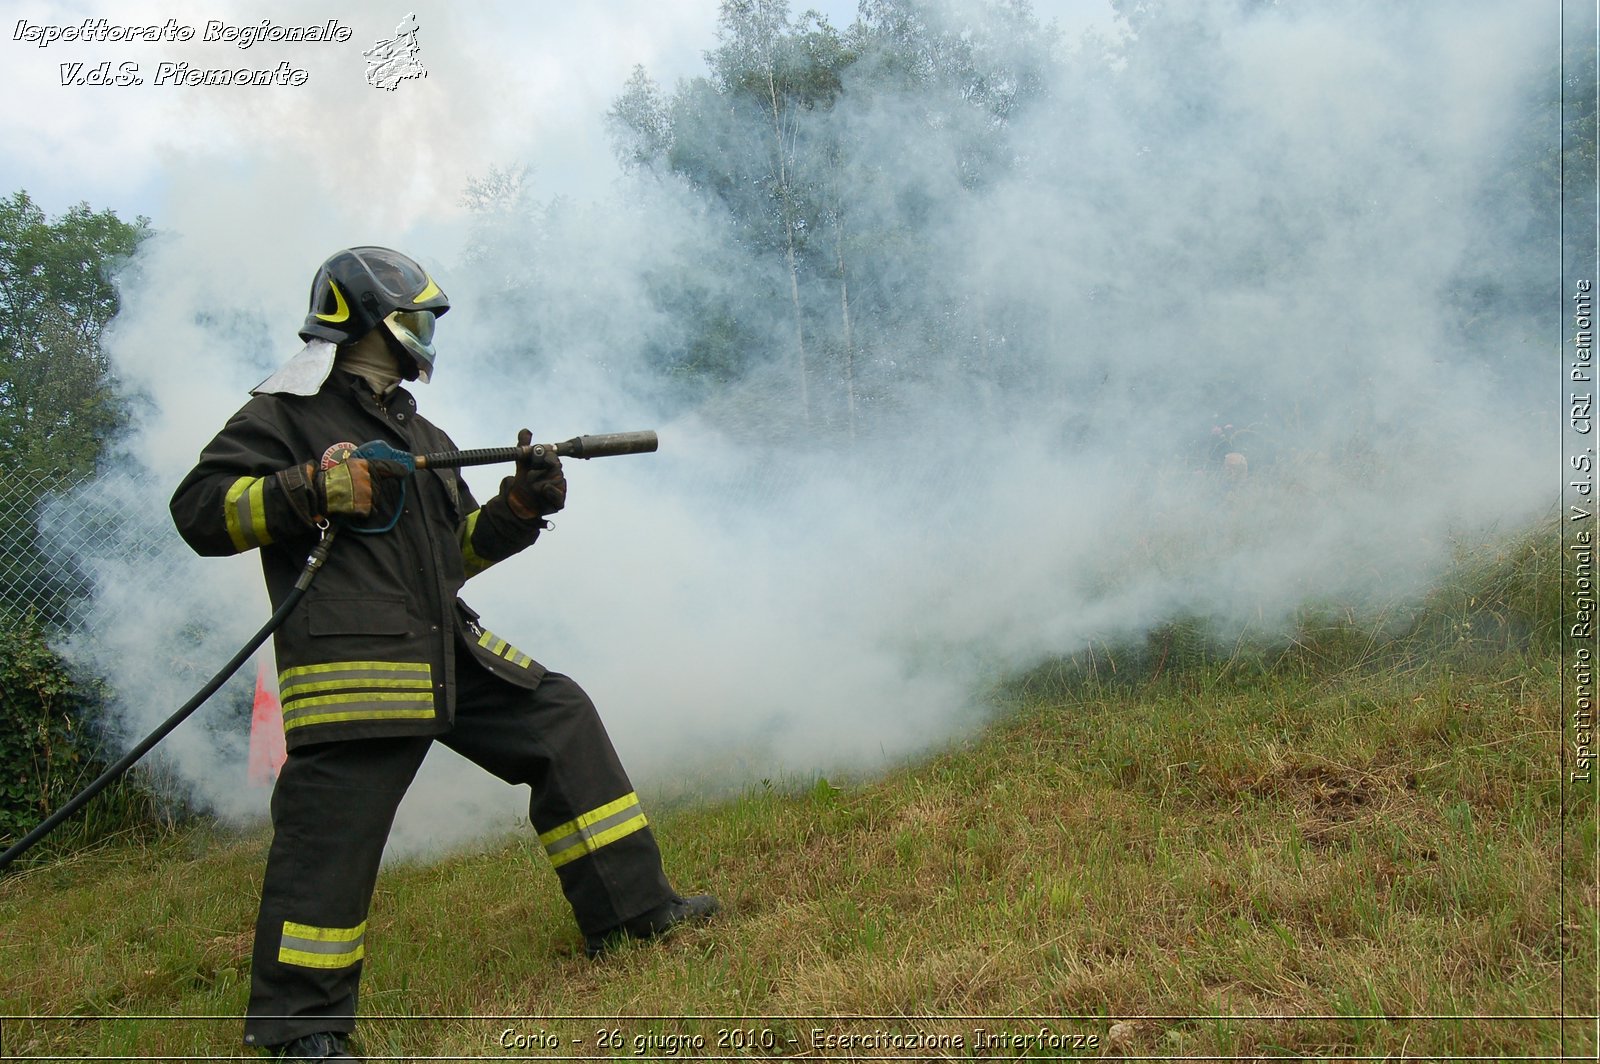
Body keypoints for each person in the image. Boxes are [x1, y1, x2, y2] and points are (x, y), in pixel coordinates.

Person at [169, 247, 716, 1061]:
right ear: (367, 318)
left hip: (441, 641)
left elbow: (450, 554)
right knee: (331, 838)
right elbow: (200, 512)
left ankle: (632, 913)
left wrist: (518, 508)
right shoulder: (283, 413)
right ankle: (301, 1031)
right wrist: (310, 490)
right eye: (418, 318)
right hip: (357, 663)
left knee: (556, 717)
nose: (428, 335)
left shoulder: (420, 431)